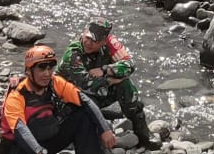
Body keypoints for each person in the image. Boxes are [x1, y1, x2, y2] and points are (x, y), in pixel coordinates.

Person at [56, 20, 159, 149]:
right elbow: (86, 84)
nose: (88, 43)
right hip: (69, 99)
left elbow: (129, 65)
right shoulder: (73, 53)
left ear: (104, 41)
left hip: (97, 91)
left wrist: (106, 70)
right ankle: (94, 142)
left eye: (94, 40)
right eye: (87, 37)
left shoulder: (110, 44)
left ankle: (143, 134)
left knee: (126, 85)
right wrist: (111, 80)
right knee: (89, 99)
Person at [0, 45, 117, 154]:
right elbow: (21, 131)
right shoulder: (16, 95)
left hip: (45, 139)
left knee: (82, 114)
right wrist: (40, 152)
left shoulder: (54, 82)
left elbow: (85, 101)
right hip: (20, 147)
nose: (47, 73)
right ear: (29, 71)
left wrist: (105, 129)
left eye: (50, 68)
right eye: (41, 68)